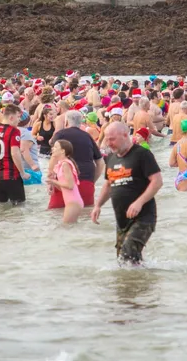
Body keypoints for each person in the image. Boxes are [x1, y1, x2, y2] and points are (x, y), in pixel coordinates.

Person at [92, 122, 162, 265]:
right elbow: (108, 184)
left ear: (125, 135)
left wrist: (139, 202)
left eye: (112, 139)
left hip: (143, 217)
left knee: (127, 255)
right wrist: (98, 205)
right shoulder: (111, 158)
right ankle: (145, 278)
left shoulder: (142, 154)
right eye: (107, 139)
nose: (109, 143)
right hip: (122, 220)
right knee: (124, 263)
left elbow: (157, 181)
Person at [49, 110, 104, 208]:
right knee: (85, 213)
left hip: (64, 184)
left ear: (66, 122)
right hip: (86, 182)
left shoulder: (60, 135)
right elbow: (100, 163)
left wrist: (50, 181)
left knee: (56, 213)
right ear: (80, 122)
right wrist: (92, 181)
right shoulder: (87, 136)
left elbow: (54, 157)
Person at [0, 104, 28, 205]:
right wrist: (23, 173)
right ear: (11, 117)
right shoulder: (14, 131)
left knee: (1, 209)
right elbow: (15, 153)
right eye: (18, 117)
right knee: (19, 207)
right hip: (11, 176)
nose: (19, 120)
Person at [45, 139, 83, 224]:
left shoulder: (65, 164)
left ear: (62, 151)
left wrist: (53, 181)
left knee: (65, 228)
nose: (52, 148)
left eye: (55, 147)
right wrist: (52, 183)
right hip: (71, 201)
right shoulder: (61, 164)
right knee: (69, 228)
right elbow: (64, 189)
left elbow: (70, 185)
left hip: (73, 202)